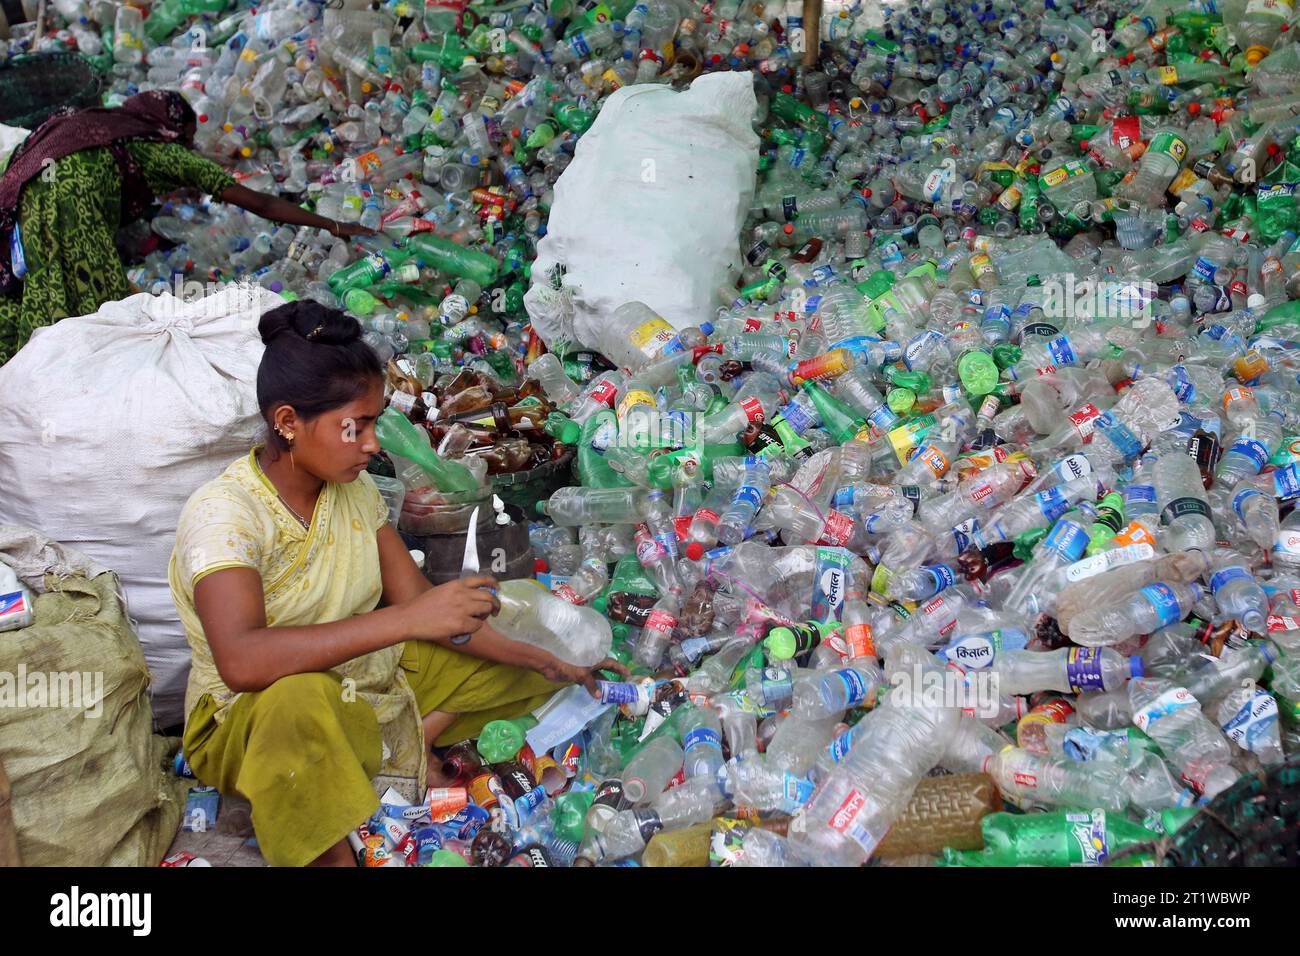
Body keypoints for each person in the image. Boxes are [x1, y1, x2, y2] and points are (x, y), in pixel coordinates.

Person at [168, 300, 626, 867]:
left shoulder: (354, 492)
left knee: (525, 643)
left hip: (362, 678)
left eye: (373, 423)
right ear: (287, 422)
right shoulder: (225, 514)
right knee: (297, 703)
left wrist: (547, 658)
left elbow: (424, 607)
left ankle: (405, 744)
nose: (371, 444)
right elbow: (242, 660)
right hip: (255, 719)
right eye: (354, 426)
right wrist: (408, 620)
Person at [0, 90, 372, 364]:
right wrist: (332, 224)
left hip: (22, 195)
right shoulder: (155, 146)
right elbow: (260, 203)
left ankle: (15, 368)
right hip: (68, 206)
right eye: (188, 139)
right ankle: (64, 379)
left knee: (26, 283)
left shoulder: (106, 126)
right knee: (94, 307)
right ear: (173, 130)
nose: (188, 147)